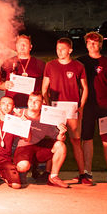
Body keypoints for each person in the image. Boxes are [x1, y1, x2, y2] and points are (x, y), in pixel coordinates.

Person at [41, 37, 89, 185]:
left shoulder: (78, 66)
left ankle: (83, 174)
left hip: (72, 106)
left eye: (62, 49)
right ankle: (49, 174)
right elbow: (44, 89)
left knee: (75, 140)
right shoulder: (50, 65)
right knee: (54, 141)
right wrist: (48, 106)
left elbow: (85, 88)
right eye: (57, 49)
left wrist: (80, 107)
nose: (59, 51)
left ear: (70, 50)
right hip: (56, 106)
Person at [78, 32, 107, 186]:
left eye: (95, 43)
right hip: (88, 107)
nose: (92, 45)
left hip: (105, 107)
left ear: (101, 44)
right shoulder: (80, 62)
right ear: (86, 44)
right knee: (87, 139)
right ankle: (87, 173)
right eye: (89, 42)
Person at [15, 94, 69, 188]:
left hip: (38, 147)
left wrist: (61, 132)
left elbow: (59, 139)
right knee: (23, 166)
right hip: (23, 147)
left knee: (60, 145)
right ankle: (20, 170)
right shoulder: (19, 113)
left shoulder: (46, 119)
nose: (33, 103)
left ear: (42, 104)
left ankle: (53, 177)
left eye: (37, 101)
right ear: (27, 101)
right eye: (31, 100)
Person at [0, 34, 45, 109]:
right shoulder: (7, 63)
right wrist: (4, 85)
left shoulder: (40, 64)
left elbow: (46, 87)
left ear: (30, 47)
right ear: (16, 47)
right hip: (11, 106)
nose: (22, 47)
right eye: (20, 44)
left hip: (32, 107)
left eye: (25, 44)